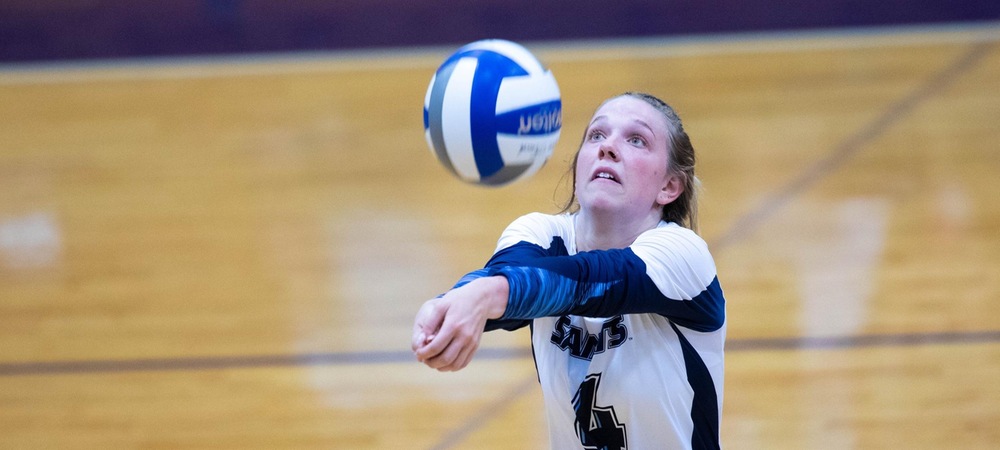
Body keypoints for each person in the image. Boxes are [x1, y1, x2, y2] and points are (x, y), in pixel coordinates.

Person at [412, 92, 726, 450]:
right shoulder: (540, 234)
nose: (607, 148)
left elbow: (590, 281)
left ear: (670, 186)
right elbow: (506, 277)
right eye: (596, 135)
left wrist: (481, 296)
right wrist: (448, 306)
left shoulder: (683, 256)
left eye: (636, 140)